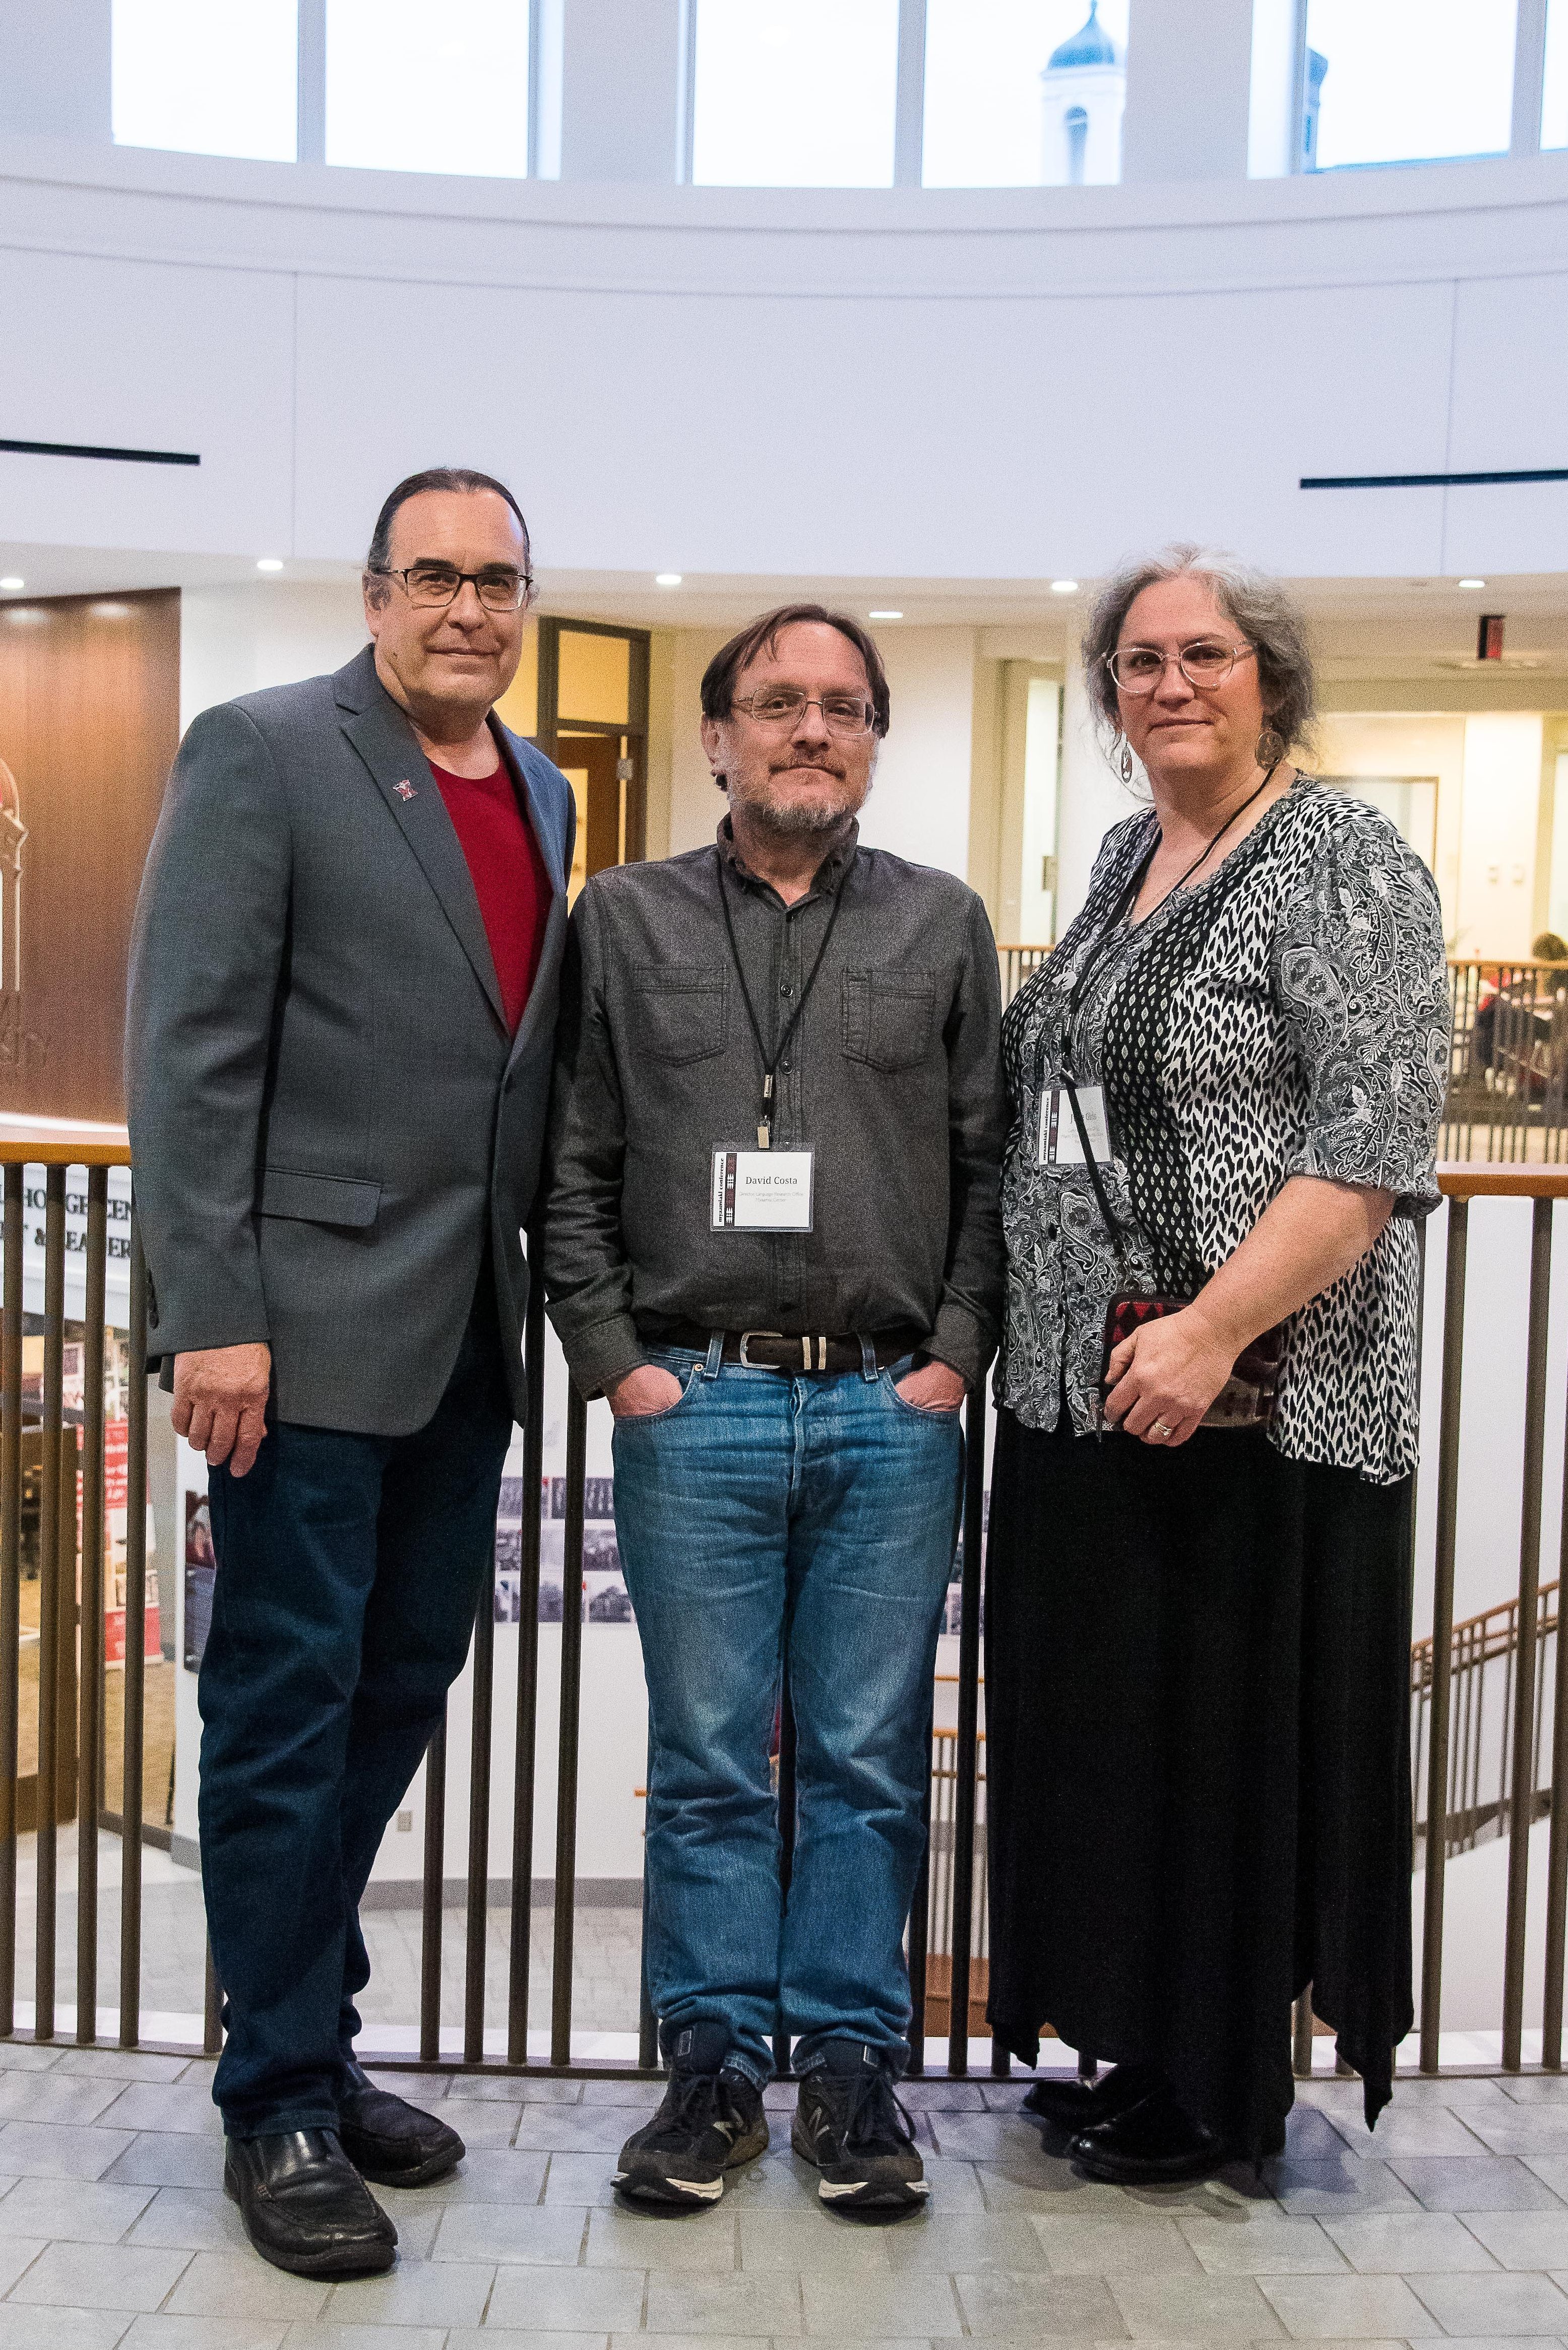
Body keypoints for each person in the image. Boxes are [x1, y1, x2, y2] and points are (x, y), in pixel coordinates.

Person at [126, 469, 574, 2276]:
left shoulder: (539, 787)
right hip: (296, 1336)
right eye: (437, 576)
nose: (470, 608)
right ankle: (278, 2107)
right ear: (377, 591)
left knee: (395, 1690)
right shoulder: (263, 751)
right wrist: (205, 1310)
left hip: (466, 1330)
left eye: (500, 581)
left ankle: (307, 2027)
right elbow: (190, 1053)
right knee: (285, 1710)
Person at [984, 547, 1450, 2182]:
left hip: (1261, 1410)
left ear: (1272, 675)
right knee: (1117, 1742)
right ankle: (1139, 2048)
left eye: (1206, 653)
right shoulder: (1127, 854)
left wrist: (1209, 1329)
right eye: (1137, 660)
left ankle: (1216, 2081)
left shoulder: (1347, 861)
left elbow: (1369, 1146)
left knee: (1219, 1757)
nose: (1170, 682)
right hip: (1089, 1395)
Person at [541, 603, 1005, 2213]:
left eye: (842, 708)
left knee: (871, 1758)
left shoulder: (944, 925)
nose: (812, 729)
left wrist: (956, 1349)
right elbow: (574, 1160)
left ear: (874, 738)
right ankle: (715, 2065)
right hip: (698, 1405)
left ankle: (854, 2074)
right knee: (711, 1760)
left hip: (891, 1409)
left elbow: (991, 1161)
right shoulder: (623, 918)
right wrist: (619, 1366)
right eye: (778, 704)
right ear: (720, 735)